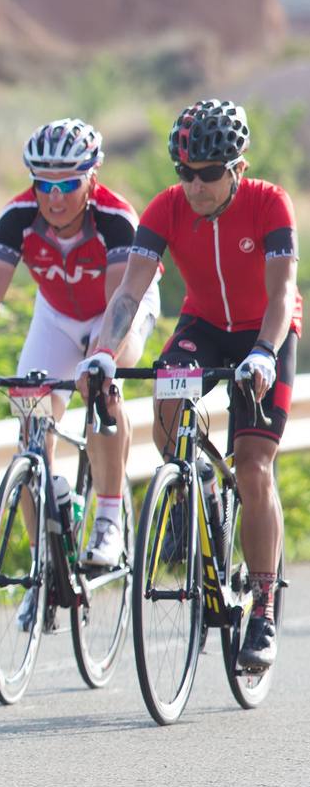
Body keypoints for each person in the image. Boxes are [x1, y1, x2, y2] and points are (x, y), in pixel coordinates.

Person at [78, 99, 297, 670]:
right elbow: (128, 293)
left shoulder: (270, 203)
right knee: (168, 400)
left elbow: (280, 296)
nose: (195, 187)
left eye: (208, 174)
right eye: (185, 173)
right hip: (204, 324)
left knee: (252, 466)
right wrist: (103, 353)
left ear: (237, 168)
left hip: (265, 333)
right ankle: (189, 483)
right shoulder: (166, 209)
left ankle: (264, 607)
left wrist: (266, 354)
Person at [0, 118, 159, 578]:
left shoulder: (115, 220)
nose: (55, 198)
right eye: (44, 185)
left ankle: (110, 521)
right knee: (29, 422)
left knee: (102, 385)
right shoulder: (18, 217)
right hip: (55, 316)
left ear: (91, 179)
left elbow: (121, 303)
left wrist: (103, 356)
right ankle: (45, 566)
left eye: (69, 184)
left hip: (118, 314)